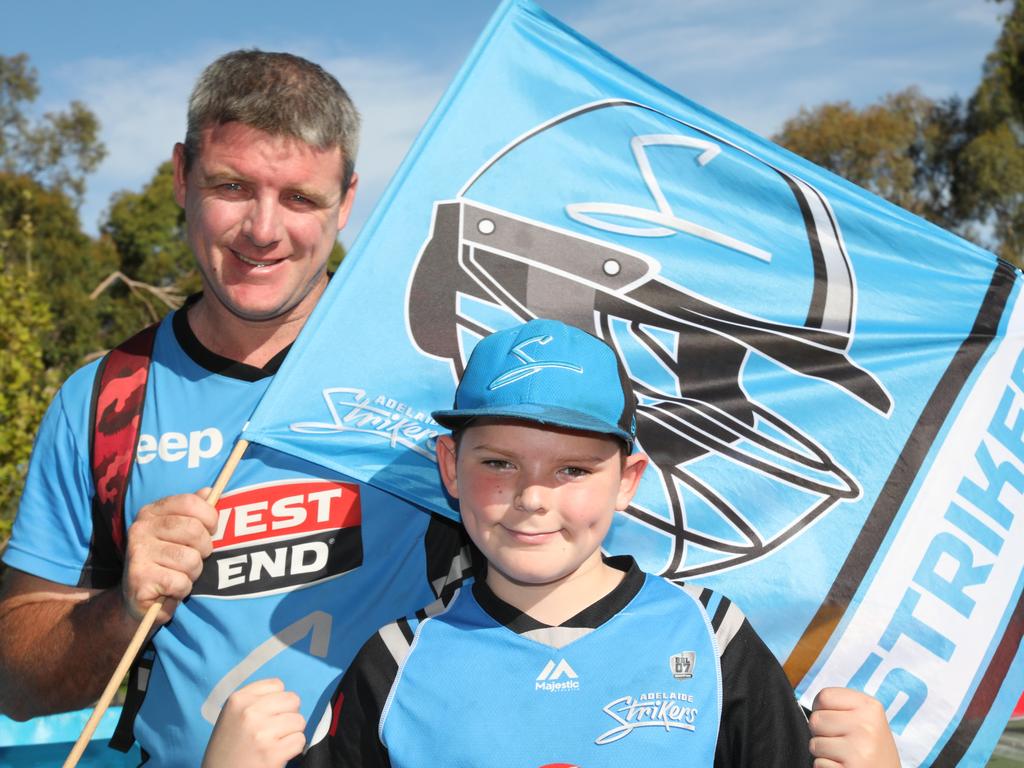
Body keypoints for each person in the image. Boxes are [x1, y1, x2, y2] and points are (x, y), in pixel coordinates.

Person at [0, 50, 470, 767]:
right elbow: (14, 683)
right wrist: (123, 609)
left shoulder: (434, 382)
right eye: (232, 185)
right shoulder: (101, 402)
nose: (262, 229)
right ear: (182, 177)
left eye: (301, 199)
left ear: (346, 203)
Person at [203, 319, 901, 768]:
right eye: (498, 463)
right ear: (449, 467)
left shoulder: (712, 641)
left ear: (628, 479)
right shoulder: (396, 662)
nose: (534, 497)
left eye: (573, 469)